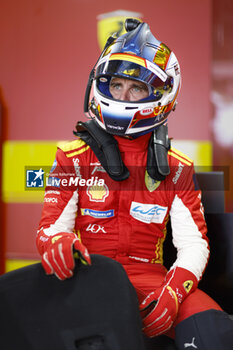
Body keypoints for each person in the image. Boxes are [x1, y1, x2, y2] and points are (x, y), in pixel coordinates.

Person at [36, 19, 233, 349]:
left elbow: (194, 245)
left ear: (160, 95)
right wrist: (57, 244)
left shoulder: (177, 167)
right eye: (115, 84)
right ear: (101, 84)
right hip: (88, 278)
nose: (122, 95)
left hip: (155, 281)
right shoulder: (71, 157)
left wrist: (174, 291)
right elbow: (52, 227)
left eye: (137, 87)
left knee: (216, 335)